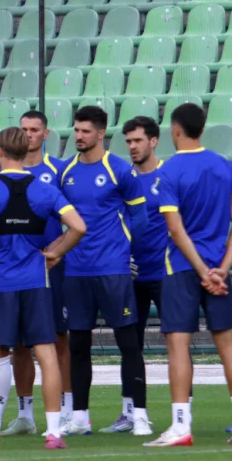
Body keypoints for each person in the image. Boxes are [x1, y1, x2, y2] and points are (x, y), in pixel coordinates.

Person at [0, 127, 88, 452]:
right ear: (27, 149)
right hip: (35, 282)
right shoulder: (44, 189)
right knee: (47, 355)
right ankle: (54, 432)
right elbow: (79, 226)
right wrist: (55, 253)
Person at [145, 104, 232, 447]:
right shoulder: (226, 167)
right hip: (218, 269)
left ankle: (180, 426)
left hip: (181, 268)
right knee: (228, 343)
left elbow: (175, 230)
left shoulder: (168, 170)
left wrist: (203, 270)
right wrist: (221, 267)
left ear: (175, 130)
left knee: (178, 345)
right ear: (201, 129)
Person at [57, 106, 147, 436]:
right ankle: (80, 417)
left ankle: (139, 415)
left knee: (128, 344)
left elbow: (140, 218)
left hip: (112, 270)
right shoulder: (66, 173)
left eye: (84, 131)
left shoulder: (119, 170)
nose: (78, 136)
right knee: (78, 345)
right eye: (76, 130)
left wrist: (127, 252)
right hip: (77, 271)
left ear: (100, 134)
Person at [0, 111, 71, 436]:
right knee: (18, 343)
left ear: (46, 134)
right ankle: (25, 413)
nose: (29, 135)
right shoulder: (3, 176)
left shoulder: (57, 171)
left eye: (34, 130)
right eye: (24, 129)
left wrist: (54, 251)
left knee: (57, 338)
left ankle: (68, 412)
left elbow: (71, 220)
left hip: (49, 268)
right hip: (13, 269)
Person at [105, 116, 164, 436]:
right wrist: (120, 256)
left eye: (138, 140)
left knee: (177, 341)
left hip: (165, 272)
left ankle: (183, 410)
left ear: (153, 141)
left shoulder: (167, 175)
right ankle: (129, 411)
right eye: (128, 141)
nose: (132, 146)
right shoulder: (121, 177)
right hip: (128, 273)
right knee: (130, 344)